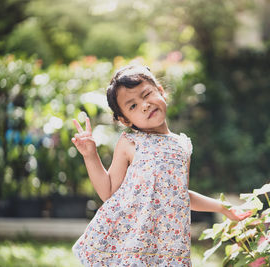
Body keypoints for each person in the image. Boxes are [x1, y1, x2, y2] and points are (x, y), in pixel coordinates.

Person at [71, 64, 251, 266]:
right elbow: (108, 191)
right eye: (133, 106)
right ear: (125, 120)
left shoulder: (182, 145)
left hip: (167, 241)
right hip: (133, 236)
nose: (145, 105)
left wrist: (222, 207)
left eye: (147, 94)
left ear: (161, 92)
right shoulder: (130, 143)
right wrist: (90, 154)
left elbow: (179, 194)